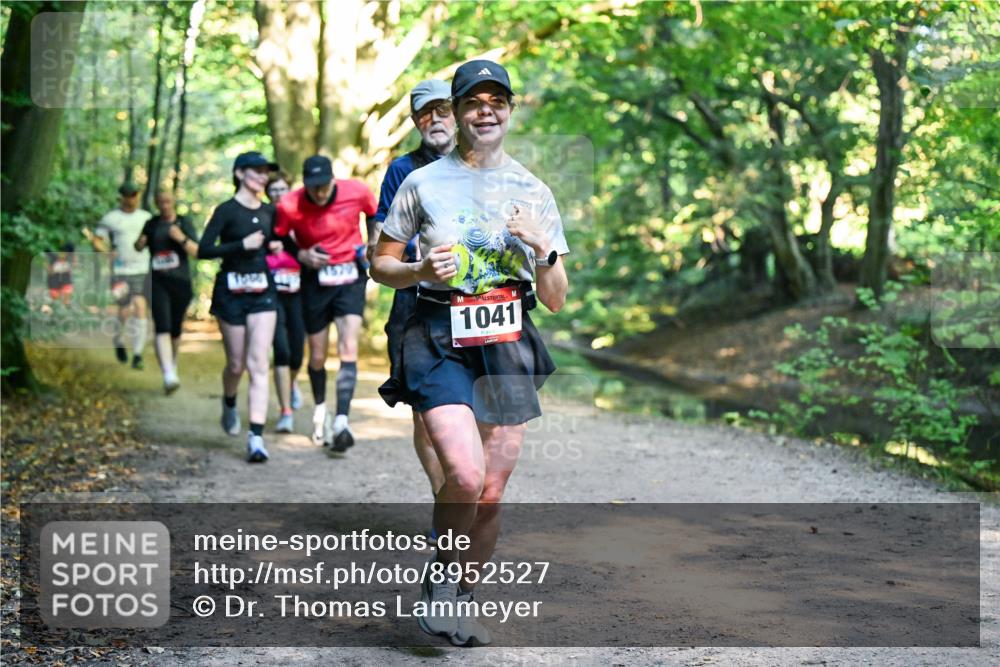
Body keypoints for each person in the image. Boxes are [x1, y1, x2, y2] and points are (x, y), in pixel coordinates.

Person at [371, 60, 569, 647]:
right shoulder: (422, 183)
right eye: (473, 102)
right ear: (455, 114)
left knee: (492, 490)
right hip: (437, 333)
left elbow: (556, 299)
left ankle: (460, 596)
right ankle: (439, 581)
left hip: (507, 339)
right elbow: (380, 264)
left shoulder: (534, 191)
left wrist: (541, 248)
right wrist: (415, 268)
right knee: (462, 471)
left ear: (510, 111)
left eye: (497, 101)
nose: (486, 110)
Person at [371, 79, 456, 499]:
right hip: (415, 300)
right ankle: (445, 500)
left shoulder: (483, 163)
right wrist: (417, 259)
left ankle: (466, 489)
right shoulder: (403, 170)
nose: (434, 119)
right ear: (414, 121)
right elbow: (380, 239)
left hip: (472, 304)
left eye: (443, 110)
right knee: (425, 413)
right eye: (425, 113)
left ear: (458, 113)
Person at [273, 155, 377, 451]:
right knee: (317, 355)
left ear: (333, 179)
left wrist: (372, 242)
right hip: (315, 281)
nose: (319, 193)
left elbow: (373, 212)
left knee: (348, 346)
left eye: (323, 186)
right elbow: (280, 236)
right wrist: (301, 255)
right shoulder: (289, 204)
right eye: (313, 188)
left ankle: (342, 420)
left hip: (349, 277)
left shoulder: (356, 190)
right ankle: (321, 409)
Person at [198, 151, 280, 463]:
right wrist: (239, 246)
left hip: (262, 292)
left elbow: (279, 242)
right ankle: (229, 401)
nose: (263, 177)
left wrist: (275, 245)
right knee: (236, 365)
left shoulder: (271, 211)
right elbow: (203, 250)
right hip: (230, 293)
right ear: (240, 173)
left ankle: (256, 438)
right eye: (257, 171)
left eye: (265, 172)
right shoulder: (226, 211)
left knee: (258, 363)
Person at [134, 189, 199, 394]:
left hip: (180, 283)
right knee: (162, 326)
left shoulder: (183, 222)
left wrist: (180, 238)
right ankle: (168, 374)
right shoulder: (152, 224)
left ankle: (172, 364)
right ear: (156, 203)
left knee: (175, 329)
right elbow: (138, 245)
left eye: (168, 201)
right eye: (161, 202)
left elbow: (197, 251)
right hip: (157, 282)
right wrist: (141, 242)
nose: (164, 205)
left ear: (174, 201)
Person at [90, 182, 153, 369]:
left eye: (134, 195)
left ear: (138, 196)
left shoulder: (146, 218)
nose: (131, 198)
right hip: (119, 271)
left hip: (141, 270)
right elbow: (97, 242)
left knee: (140, 307)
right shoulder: (110, 218)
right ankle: (118, 338)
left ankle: (138, 354)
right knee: (124, 310)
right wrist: (104, 251)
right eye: (127, 195)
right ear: (122, 197)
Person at [265, 173, 305, 433]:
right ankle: (285, 411)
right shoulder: (264, 218)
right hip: (271, 294)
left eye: (282, 189)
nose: (278, 193)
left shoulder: (302, 217)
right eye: (273, 189)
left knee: (297, 354)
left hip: (300, 293)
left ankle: (290, 384)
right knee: (281, 350)